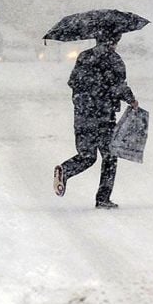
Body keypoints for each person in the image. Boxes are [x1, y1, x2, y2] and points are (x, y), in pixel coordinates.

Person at [53, 31, 138, 209]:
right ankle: (103, 198)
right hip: (104, 116)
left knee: (87, 156)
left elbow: (73, 82)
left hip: (83, 115)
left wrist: (86, 96)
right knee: (109, 157)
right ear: (114, 41)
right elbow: (119, 87)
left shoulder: (84, 56)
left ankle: (66, 170)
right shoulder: (114, 60)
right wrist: (131, 99)